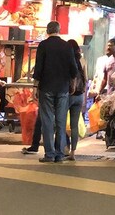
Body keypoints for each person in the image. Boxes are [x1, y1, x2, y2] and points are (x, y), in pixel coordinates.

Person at [33, 21, 78, 163]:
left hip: (46, 87)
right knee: (61, 121)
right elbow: (73, 69)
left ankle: (49, 153)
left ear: (47, 31)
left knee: (47, 121)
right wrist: (72, 84)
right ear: (59, 30)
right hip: (63, 88)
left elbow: (38, 67)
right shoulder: (67, 46)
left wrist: (35, 86)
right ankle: (59, 154)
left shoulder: (43, 45)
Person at [67, 39, 88, 161]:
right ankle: (73, 152)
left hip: (68, 94)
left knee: (61, 122)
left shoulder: (67, 60)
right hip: (79, 96)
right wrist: (84, 98)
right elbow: (85, 79)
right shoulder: (82, 60)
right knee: (74, 125)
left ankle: (64, 147)